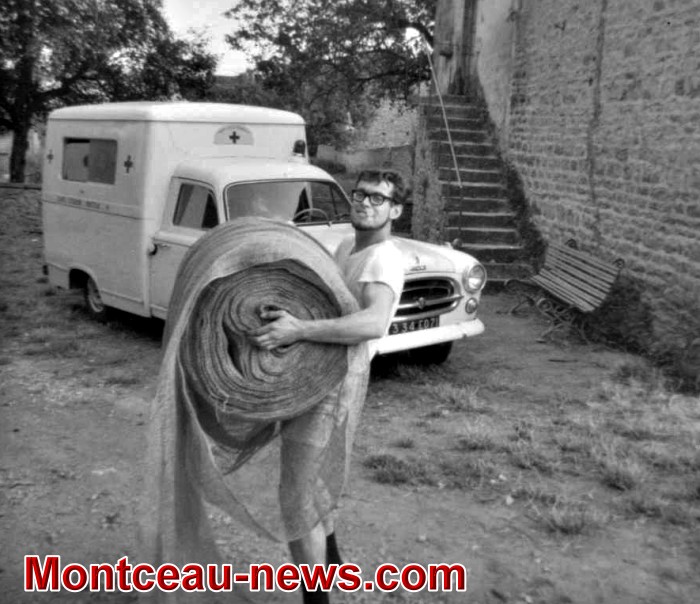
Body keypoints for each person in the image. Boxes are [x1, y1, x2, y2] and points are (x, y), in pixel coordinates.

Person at [249, 169, 408, 603]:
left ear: (395, 210)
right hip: (319, 373)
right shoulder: (347, 248)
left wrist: (299, 329)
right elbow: (328, 303)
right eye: (360, 194)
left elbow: (373, 322)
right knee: (313, 481)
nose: (365, 203)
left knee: (296, 496)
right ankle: (332, 563)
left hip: (337, 382)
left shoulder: (383, 259)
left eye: (378, 198)